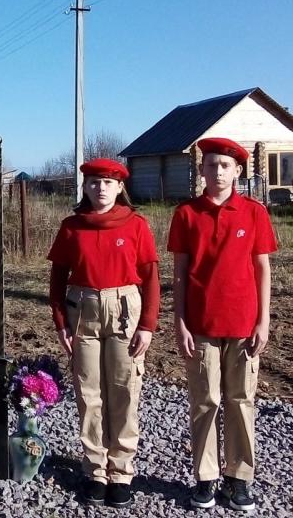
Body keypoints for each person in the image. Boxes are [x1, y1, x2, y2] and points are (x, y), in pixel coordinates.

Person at [169, 137, 276, 512]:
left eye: (225, 166)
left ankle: (239, 477)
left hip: (244, 326)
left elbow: (263, 269)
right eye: (211, 165)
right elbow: (180, 274)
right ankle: (206, 476)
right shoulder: (186, 214)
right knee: (204, 400)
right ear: (201, 170)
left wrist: (263, 320)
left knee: (241, 400)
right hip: (200, 326)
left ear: (238, 171)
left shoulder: (254, 213)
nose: (217, 172)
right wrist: (179, 322)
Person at [47, 158, 159, 508]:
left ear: (120, 187)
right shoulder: (72, 227)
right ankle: (95, 469)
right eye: (94, 182)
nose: (100, 189)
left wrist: (148, 326)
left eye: (108, 183)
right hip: (84, 311)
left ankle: (121, 471)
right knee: (89, 392)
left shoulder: (136, 225)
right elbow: (57, 278)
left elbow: (151, 277)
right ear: (85, 187)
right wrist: (61, 322)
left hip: (125, 309)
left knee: (124, 391)